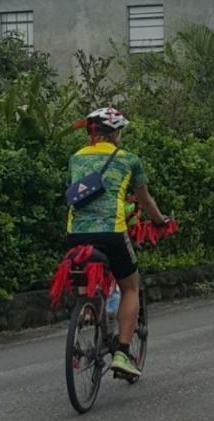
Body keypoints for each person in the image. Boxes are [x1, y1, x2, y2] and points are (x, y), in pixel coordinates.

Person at [65, 107, 167, 379]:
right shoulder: (129, 160)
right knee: (130, 287)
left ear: (91, 132)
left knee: (84, 275)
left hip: (75, 233)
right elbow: (145, 200)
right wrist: (159, 221)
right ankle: (122, 352)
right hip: (112, 233)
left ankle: (88, 314)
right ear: (115, 133)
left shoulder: (75, 159)